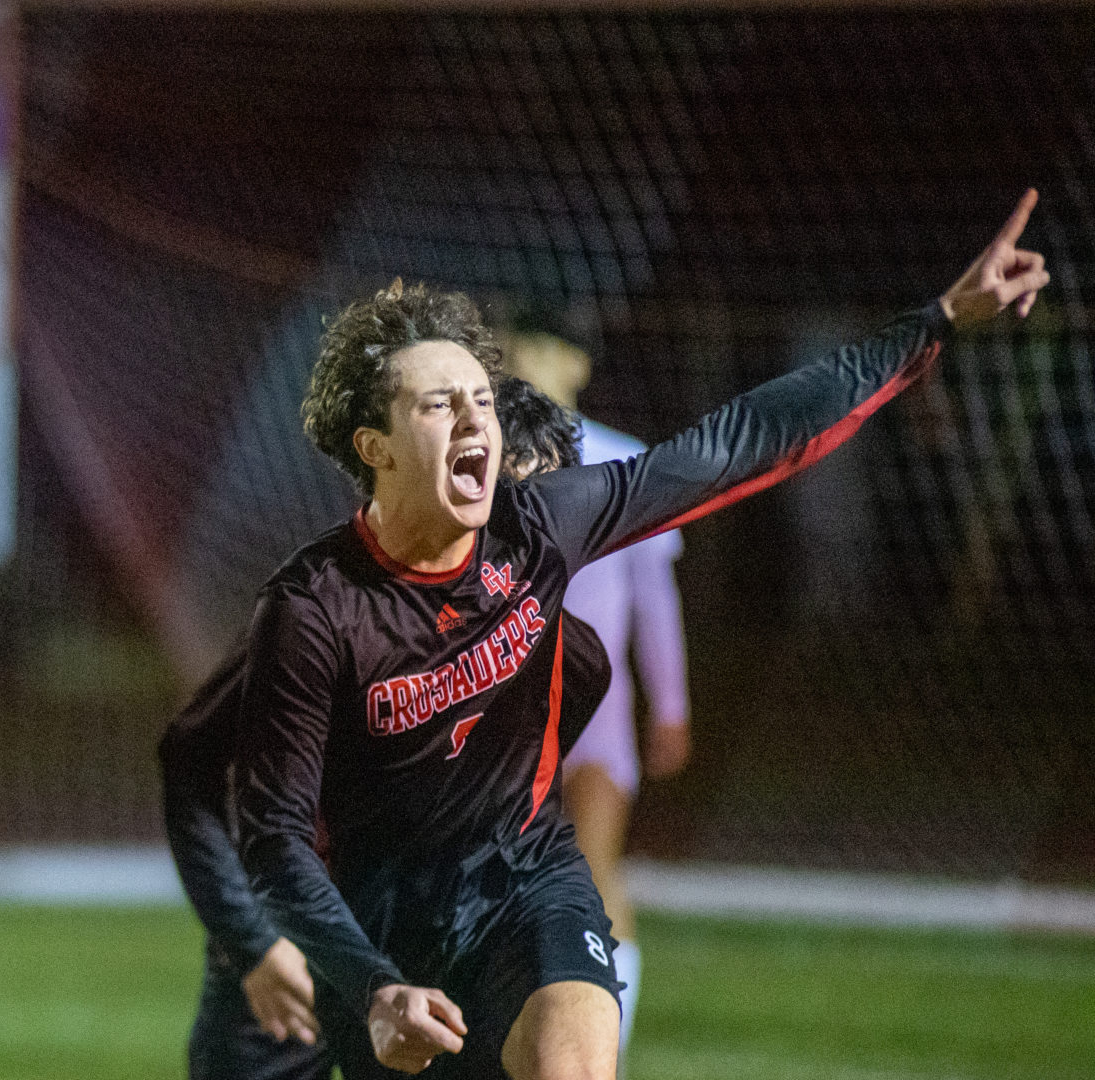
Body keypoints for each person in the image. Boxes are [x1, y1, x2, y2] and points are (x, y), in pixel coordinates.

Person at [233, 193, 1047, 1079]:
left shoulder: (538, 527)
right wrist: (373, 986)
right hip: (385, 937)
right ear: (375, 448)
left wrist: (934, 323)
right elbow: (272, 839)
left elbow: (739, 442)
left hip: (527, 885)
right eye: (438, 404)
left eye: (481, 398)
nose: (475, 419)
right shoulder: (313, 611)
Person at [160, 376, 611, 1080]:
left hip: (438, 945)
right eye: (522, 502)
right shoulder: (329, 620)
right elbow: (188, 759)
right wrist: (253, 941)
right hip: (300, 944)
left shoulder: (576, 666)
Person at [503, 308, 690, 1058]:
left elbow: (655, 600)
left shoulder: (621, 463)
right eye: (519, 346)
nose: (527, 359)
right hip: (509, 709)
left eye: (543, 346)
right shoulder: (492, 467)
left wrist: (671, 705)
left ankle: (607, 1031)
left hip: (600, 713)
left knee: (596, 866)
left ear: (578, 364)